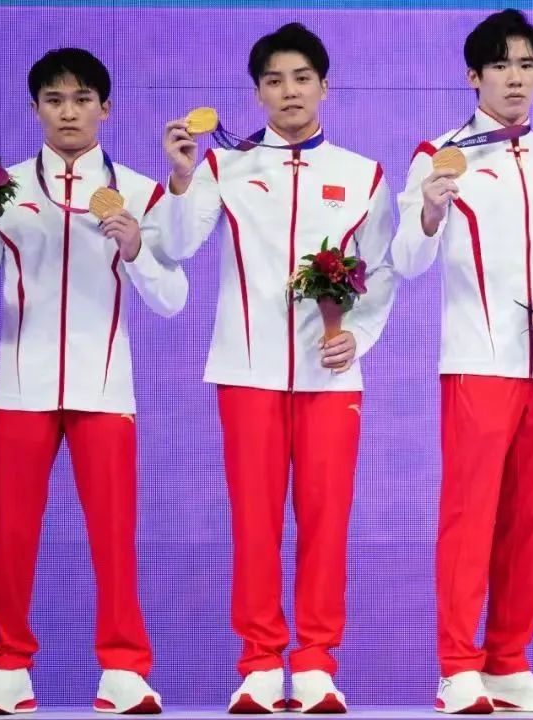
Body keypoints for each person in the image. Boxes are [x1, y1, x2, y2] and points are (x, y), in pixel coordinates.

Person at [162, 22, 396, 714]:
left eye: (301, 78)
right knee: (255, 523)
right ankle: (261, 663)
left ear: (325, 86)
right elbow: (178, 246)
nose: (289, 91)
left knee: (326, 522)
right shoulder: (223, 167)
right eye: (273, 80)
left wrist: (358, 337)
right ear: (257, 93)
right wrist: (181, 177)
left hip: (330, 377)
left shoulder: (363, 174)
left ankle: (317, 663)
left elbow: (382, 272)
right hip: (247, 372)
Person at [0, 47, 186, 715]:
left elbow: (173, 299)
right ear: (35, 110)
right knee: (12, 534)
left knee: (114, 535)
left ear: (106, 108)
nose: (69, 111)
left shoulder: (139, 191)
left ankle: (124, 669)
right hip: (21, 384)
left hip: (104, 387)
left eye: (82, 99)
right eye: (54, 100)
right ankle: (8, 668)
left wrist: (135, 249)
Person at [391, 9, 533, 714]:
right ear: (473, 76)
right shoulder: (438, 154)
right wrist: (429, 210)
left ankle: (507, 662)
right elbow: (406, 261)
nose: (515, 77)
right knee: (470, 518)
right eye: (501, 65)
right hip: (479, 362)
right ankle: (457, 667)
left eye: (527, 65)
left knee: (532, 522)